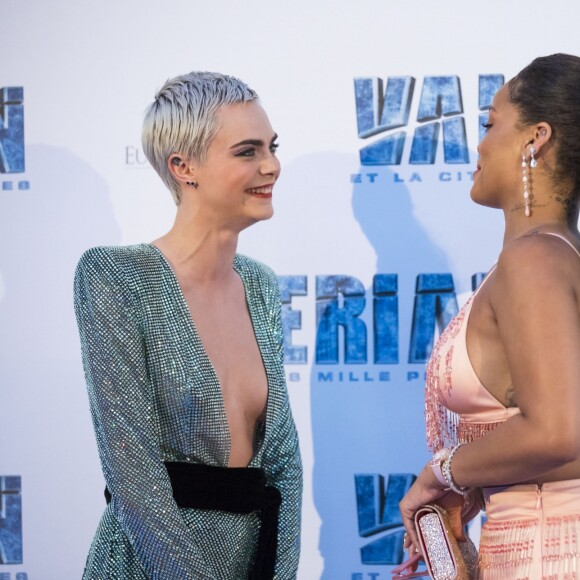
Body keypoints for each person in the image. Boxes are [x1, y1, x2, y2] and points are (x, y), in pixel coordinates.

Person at [74, 72, 302, 579]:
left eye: (272, 146)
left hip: (249, 562)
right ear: (184, 166)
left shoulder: (260, 285)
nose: (272, 165)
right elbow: (133, 472)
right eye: (247, 151)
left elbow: (283, 462)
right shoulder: (116, 277)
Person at [398, 53, 580, 578]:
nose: (478, 144)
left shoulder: (534, 259)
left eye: (490, 123)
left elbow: (557, 432)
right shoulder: (556, 254)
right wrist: (477, 475)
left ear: (536, 138)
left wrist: (444, 474)